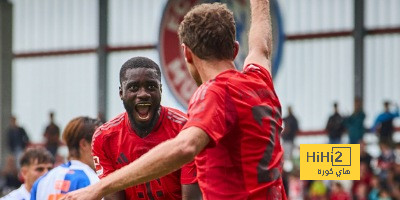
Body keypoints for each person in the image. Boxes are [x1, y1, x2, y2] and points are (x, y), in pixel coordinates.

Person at [63, 0, 286, 199]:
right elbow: (261, 45)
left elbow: (185, 147)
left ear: (186, 53)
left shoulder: (214, 94)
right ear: (235, 49)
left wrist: (97, 189)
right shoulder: (259, 78)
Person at [88, 57, 199, 200]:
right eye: (134, 87)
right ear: (121, 93)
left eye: (151, 87)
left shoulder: (186, 129)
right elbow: (113, 197)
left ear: (160, 90)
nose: (143, 94)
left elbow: (192, 198)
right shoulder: (104, 138)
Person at [30, 117, 102, 200]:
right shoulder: (92, 181)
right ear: (84, 144)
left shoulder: (42, 180)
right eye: (99, 142)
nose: (104, 149)